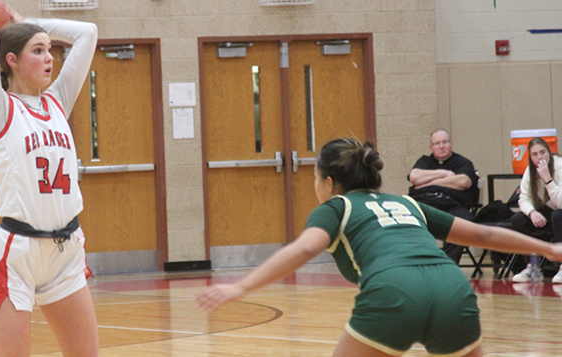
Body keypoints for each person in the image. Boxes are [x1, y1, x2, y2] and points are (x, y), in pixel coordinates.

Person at [194, 138, 562, 357]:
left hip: (394, 292)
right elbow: (483, 235)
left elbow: (305, 250)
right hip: (452, 288)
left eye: (314, 178)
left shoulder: (336, 208)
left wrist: (241, 286)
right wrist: (549, 251)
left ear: (329, 181)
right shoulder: (406, 202)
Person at [0, 1, 99, 357]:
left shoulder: (58, 101)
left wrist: (26, 23)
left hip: (67, 249)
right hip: (18, 253)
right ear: (11, 60)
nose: (50, 58)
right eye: (38, 51)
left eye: (50, 50)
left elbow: (87, 33)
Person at [408, 129, 479, 263]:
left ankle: (447, 264)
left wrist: (429, 182)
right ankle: (417, 264)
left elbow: (464, 182)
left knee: (464, 223)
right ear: (431, 147)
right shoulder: (425, 161)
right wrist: (444, 173)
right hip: (425, 205)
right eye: (437, 143)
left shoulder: (463, 163)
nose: (441, 146)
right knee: (406, 219)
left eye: (445, 142)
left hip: (452, 206)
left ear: (451, 143)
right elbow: (414, 177)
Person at [509, 137, 562, 283]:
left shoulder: (559, 165)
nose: (540, 157)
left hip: (559, 210)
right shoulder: (530, 171)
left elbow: (560, 202)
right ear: (530, 157)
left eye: (542, 152)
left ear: (549, 152)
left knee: (558, 215)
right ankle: (532, 266)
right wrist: (532, 212)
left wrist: (548, 180)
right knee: (518, 219)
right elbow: (523, 198)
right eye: (535, 154)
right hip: (548, 211)